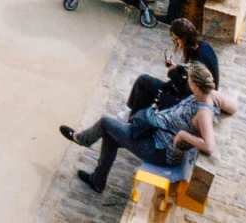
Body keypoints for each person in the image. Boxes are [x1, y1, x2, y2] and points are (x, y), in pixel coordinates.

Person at [61, 62, 223, 194]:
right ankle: (98, 180)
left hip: (160, 150)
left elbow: (209, 146)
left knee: (105, 123)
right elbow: (233, 106)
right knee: (111, 134)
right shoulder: (210, 95)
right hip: (155, 133)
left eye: (189, 80)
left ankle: (81, 139)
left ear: (195, 85)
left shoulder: (203, 112)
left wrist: (183, 136)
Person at [126, 19, 235, 116]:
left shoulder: (199, 61)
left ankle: (134, 118)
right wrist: (178, 69)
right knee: (145, 82)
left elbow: (189, 90)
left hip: (192, 103)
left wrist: (173, 74)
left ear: (183, 38)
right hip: (196, 96)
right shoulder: (202, 46)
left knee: (145, 84)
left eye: (176, 40)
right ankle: (133, 112)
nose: (176, 43)